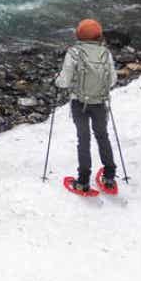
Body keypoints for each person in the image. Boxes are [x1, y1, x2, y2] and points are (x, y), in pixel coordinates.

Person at [56, 17, 118, 198]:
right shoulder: (105, 53)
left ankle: (83, 181)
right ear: (99, 35)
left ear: (79, 35)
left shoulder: (74, 53)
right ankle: (109, 177)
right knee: (102, 136)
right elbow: (112, 80)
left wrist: (57, 82)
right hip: (99, 103)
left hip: (79, 103)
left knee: (83, 139)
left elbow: (64, 81)